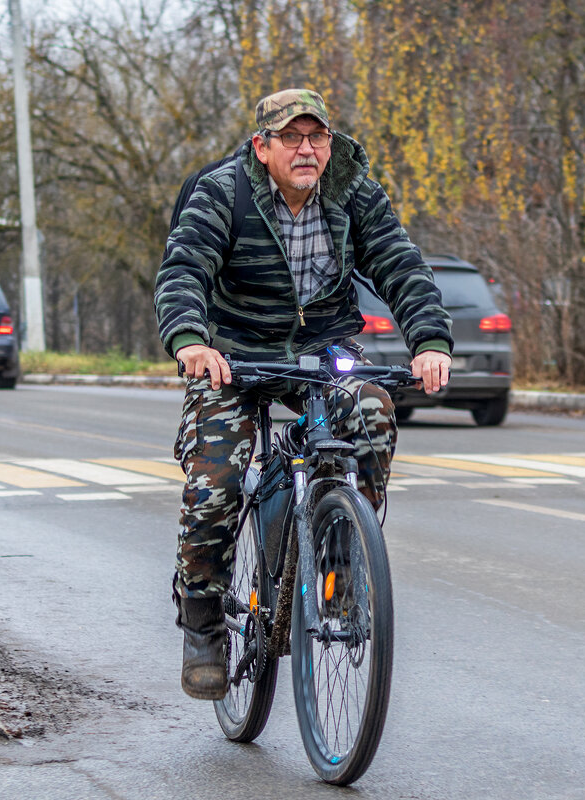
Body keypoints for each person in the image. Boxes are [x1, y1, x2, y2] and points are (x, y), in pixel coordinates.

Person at [154, 89, 454, 700]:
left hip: (322, 350)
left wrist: (431, 342)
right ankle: (203, 616)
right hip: (233, 356)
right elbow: (183, 270)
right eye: (292, 138)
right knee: (217, 481)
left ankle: (341, 566)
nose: (308, 149)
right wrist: (191, 341)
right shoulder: (222, 194)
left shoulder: (352, 192)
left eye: (317, 137)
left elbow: (400, 263)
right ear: (262, 147)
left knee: (370, 410)